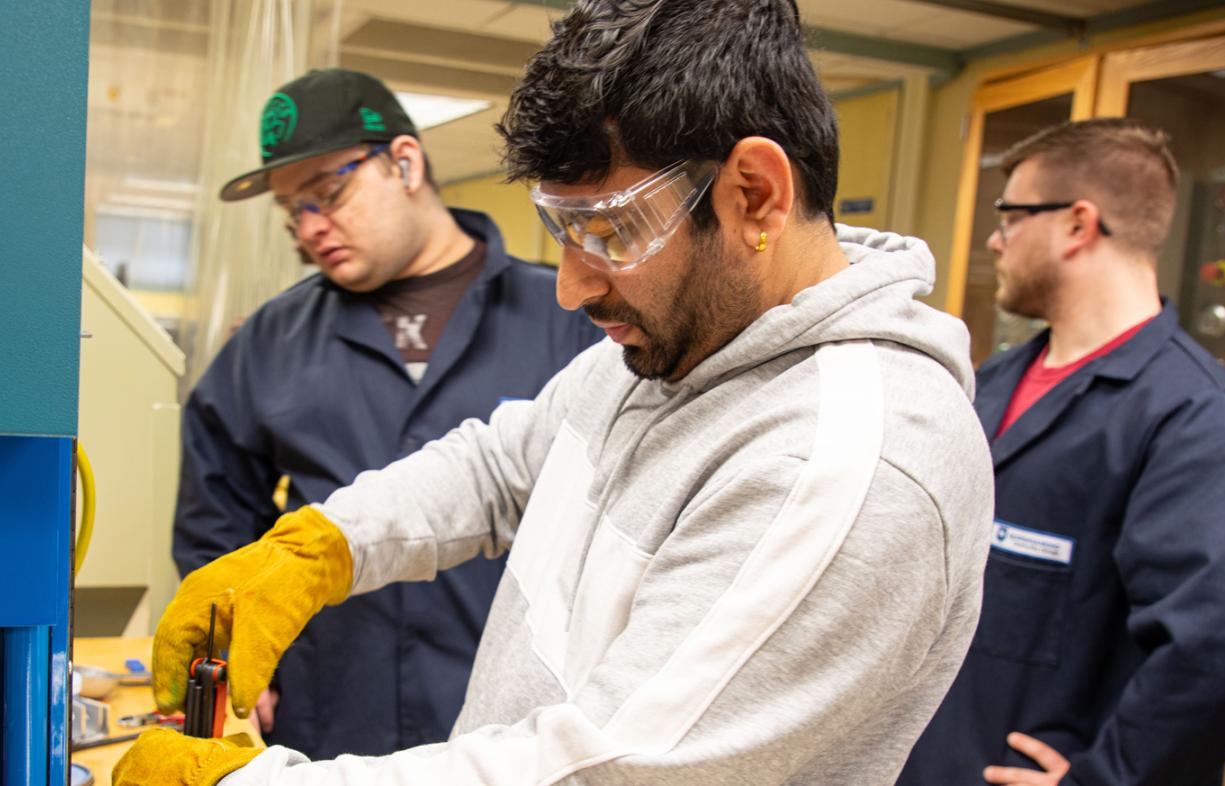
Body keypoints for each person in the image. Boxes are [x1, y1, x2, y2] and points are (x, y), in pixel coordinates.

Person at [118, 0, 994, 782]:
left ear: (754, 195)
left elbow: (609, 768)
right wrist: (318, 549)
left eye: (608, 231)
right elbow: (503, 465)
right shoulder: (680, 348)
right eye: (560, 231)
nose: (572, 289)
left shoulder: (843, 458)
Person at [170, 68, 600, 760]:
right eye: (292, 214)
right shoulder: (268, 342)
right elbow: (214, 520)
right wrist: (233, 664)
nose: (311, 228)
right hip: (329, 713)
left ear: (405, 161)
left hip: (516, 723)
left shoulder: (566, 317)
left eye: (328, 194)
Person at [897, 119, 1225, 786]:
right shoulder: (988, 385)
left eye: (1012, 217)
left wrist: (1109, 779)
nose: (996, 240)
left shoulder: (1198, 421)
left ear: (1078, 224)